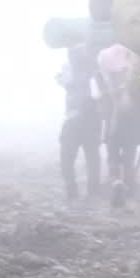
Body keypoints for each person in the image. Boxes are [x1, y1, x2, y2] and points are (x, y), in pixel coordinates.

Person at [96, 44, 140, 209]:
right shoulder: (133, 76)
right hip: (131, 123)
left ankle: (116, 181)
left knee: (113, 156)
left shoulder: (106, 77)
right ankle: (129, 191)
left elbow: (102, 101)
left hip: (113, 124)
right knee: (129, 158)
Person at [57, 45, 103, 202]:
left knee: (67, 158)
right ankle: (93, 191)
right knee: (92, 158)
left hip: (74, 119)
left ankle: (72, 191)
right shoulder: (95, 71)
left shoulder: (72, 71)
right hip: (92, 120)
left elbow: (63, 81)